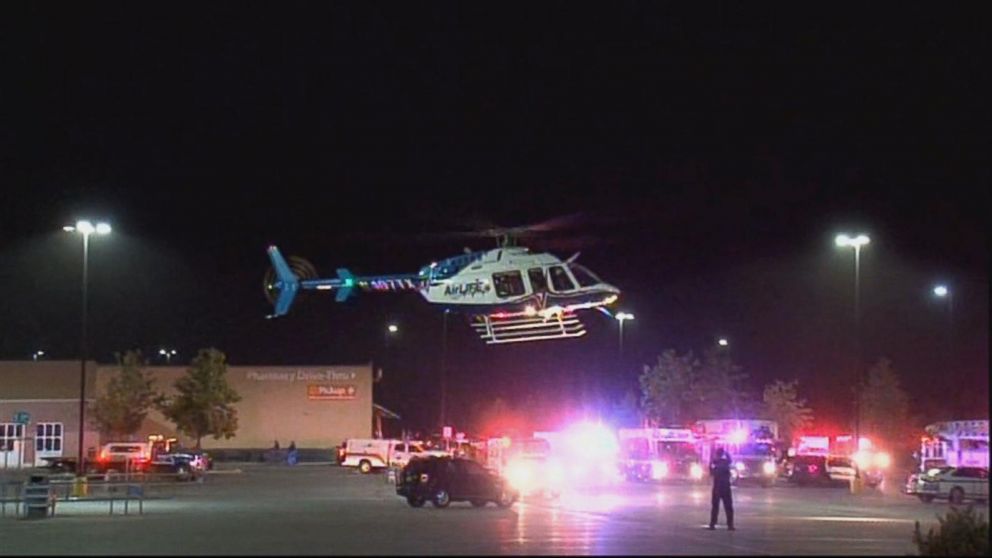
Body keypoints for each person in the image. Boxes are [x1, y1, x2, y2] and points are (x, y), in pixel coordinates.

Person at [709, 447, 735, 530]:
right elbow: (730, 461)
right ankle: (730, 525)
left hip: (717, 488)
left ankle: (712, 524)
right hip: (726, 487)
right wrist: (726, 453)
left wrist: (713, 459)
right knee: (728, 507)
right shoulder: (726, 463)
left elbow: (711, 471)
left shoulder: (715, 463)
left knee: (715, 507)